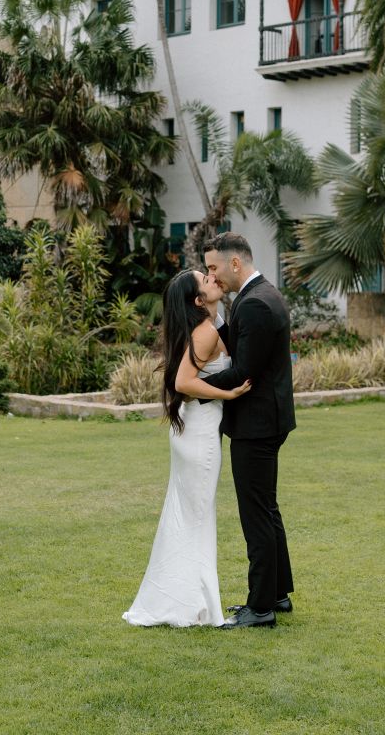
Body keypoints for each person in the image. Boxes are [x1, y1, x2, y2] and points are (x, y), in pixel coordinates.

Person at [122, 269, 251, 628]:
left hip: (192, 430)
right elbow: (184, 382)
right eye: (205, 281)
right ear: (197, 300)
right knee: (197, 516)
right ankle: (195, 605)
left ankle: (185, 598)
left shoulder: (207, 325)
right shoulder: (205, 332)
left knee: (189, 515)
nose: (213, 278)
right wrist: (227, 394)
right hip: (199, 433)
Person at [202, 232, 296, 629]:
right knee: (266, 510)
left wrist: (194, 391)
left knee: (255, 515)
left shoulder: (256, 303)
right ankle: (277, 593)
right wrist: (216, 317)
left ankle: (260, 608)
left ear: (234, 263)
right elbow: (242, 349)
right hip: (267, 420)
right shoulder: (259, 297)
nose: (211, 275)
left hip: (256, 425)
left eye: (213, 268)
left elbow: (243, 372)